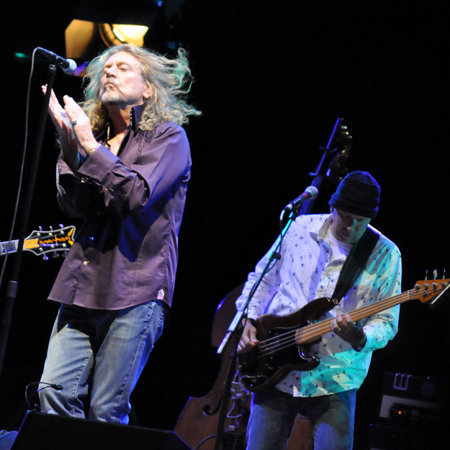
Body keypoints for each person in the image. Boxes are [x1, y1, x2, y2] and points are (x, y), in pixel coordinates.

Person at [37, 44, 200, 424]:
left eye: (123, 67)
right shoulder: (88, 136)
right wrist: (68, 143)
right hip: (81, 288)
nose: (109, 71)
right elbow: (73, 207)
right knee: (52, 393)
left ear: (147, 89)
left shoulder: (168, 138)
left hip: (135, 292)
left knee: (105, 409)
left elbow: (137, 195)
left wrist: (89, 147)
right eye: (105, 68)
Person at [235, 171, 402, 449]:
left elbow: (387, 321)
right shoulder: (299, 228)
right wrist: (249, 319)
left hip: (336, 376)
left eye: (361, 221)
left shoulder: (386, 255)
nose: (352, 228)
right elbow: (262, 279)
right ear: (333, 208)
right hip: (274, 365)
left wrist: (361, 337)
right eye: (347, 217)